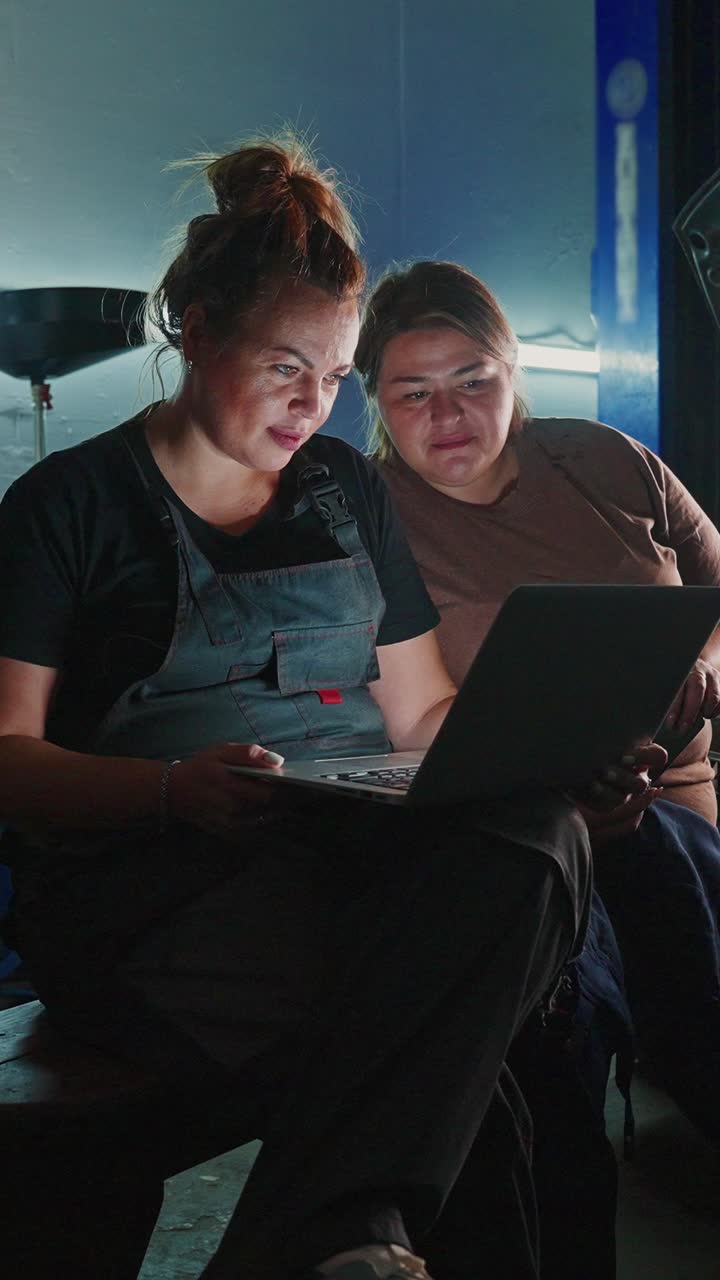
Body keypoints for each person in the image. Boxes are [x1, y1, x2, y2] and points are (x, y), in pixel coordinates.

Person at [0, 139, 643, 1280]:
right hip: (147, 896)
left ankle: (310, 1242)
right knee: (472, 1082)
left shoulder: (345, 491)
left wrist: (544, 751)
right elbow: (7, 756)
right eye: (286, 365)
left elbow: (422, 715)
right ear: (195, 332)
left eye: (338, 373)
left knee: (543, 832)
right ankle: (328, 1240)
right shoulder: (68, 505)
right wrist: (169, 789)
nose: (316, 402)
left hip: (341, 857)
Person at [356, 258, 720, 1160]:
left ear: (511, 368)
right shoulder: (371, 515)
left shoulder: (605, 460)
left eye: (473, 381)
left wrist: (705, 664)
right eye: (414, 393)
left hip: (678, 794)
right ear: (373, 399)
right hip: (521, 822)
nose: (448, 417)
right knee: (564, 1033)